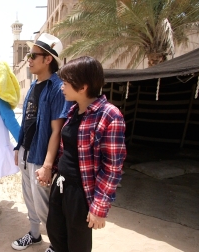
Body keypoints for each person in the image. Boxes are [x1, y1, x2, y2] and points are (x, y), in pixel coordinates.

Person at [46, 56, 127, 252]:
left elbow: (112, 168)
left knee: (77, 243)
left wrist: (99, 207)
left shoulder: (110, 115)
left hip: (81, 192)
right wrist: (51, 169)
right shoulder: (74, 110)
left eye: (65, 83)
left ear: (82, 87)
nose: (61, 87)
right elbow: (69, 151)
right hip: (61, 183)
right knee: (55, 231)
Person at [11, 33, 72, 251]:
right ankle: (35, 236)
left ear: (48, 59)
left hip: (41, 156)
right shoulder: (34, 85)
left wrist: (47, 166)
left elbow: (57, 131)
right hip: (27, 152)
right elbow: (27, 120)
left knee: (44, 204)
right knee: (29, 199)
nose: (29, 59)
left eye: (33, 55)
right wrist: (19, 146)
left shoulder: (58, 88)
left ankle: (56, 245)